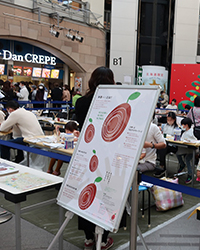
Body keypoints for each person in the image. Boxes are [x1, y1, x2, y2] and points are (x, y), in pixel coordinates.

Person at [75, 66, 115, 250]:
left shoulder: (82, 102)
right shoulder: (115, 101)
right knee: (104, 195)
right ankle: (103, 239)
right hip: (107, 155)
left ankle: (88, 238)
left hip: (86, 153)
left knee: (86, 192)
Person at [154, 112, 179, 177]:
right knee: (158, 147)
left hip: (172, 145)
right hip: (164, 143)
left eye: (171, 120)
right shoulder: (164, 126)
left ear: (174, 119)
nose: (169, 121)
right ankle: (158, 165)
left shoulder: (177, 128)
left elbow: (177, 138)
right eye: (168, 120)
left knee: (162, 148)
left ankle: (162, 167)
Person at [176, 118, 197, 184]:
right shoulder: (184, 132)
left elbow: (195, 141)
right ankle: (182, 165)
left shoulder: (192, 132)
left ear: (187, 125)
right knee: (177, 154)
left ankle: (190, 174)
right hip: (185, 148)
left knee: (187, 159)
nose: (182, 126)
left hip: (192, 148)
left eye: (183, 125)